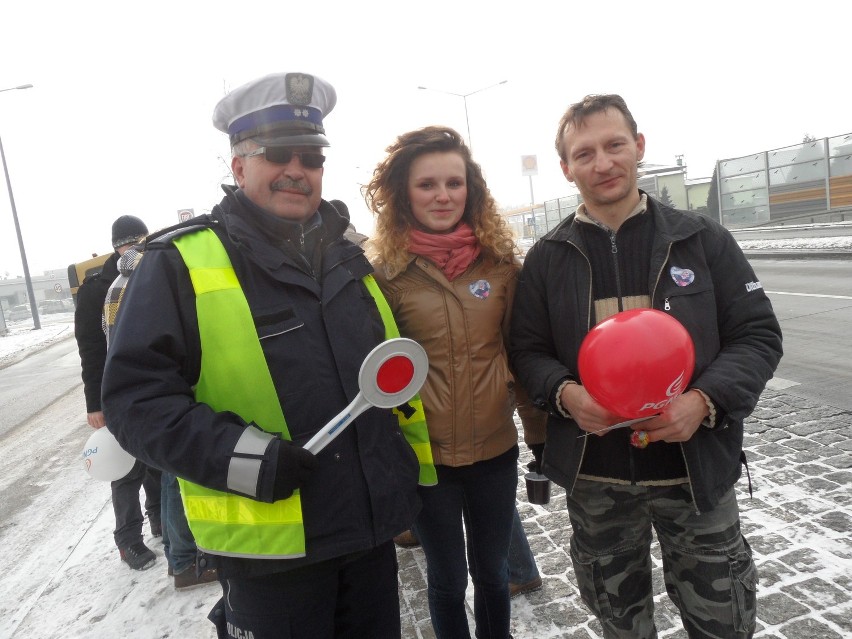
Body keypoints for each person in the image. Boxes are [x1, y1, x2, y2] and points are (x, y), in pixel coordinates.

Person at [101, 71, 433, 639]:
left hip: (368, 535)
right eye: (278, 154)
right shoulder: (177, 263)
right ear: (237, 166)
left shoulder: (350, 257)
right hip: (271, 557)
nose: (298, 170)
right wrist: (244, 458)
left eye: (311, 157)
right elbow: (135, 403)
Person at [509, 94, 783, 638]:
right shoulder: (548, 257)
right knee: (620, 622)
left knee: (721, 619)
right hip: (597, 478)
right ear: (566, 168)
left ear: (638, 147)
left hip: (694, 471)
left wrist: (704, 401)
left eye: (614, 145)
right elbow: (526, 352)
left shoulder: (701, 239)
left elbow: (757, 335)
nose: (603, 163)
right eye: (584, 153)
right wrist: (566, 395)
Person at [364, 125, 546, 638]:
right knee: (446, 578)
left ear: (472, 189)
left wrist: (539, 436)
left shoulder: (503, 267)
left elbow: (521, 355)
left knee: (492, 573)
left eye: (454, 182)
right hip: (426, 462)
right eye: (427, 184)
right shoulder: (382, 275)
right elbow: (375, 378)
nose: (443, 195)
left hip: (494, 451)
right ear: (404, 193)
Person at [103, 245, 218, 591]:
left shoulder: (118, 285)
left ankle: (172, 545)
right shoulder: (145, 282)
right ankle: (179, 558)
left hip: (138, 394)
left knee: (163, 476)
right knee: (165, 476)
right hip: (155, 394)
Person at [73, 215, 162, 570]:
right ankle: (128, 540)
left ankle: (159, 520)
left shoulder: (151, 271)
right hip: (114, 389)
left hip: (151, 384)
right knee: (125, 470)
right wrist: (94, 403)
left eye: (141, 241)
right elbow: (91, 350)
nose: (136, 248)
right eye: (130, 243)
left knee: (156, 458)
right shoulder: (97, 288)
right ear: (117, 247)